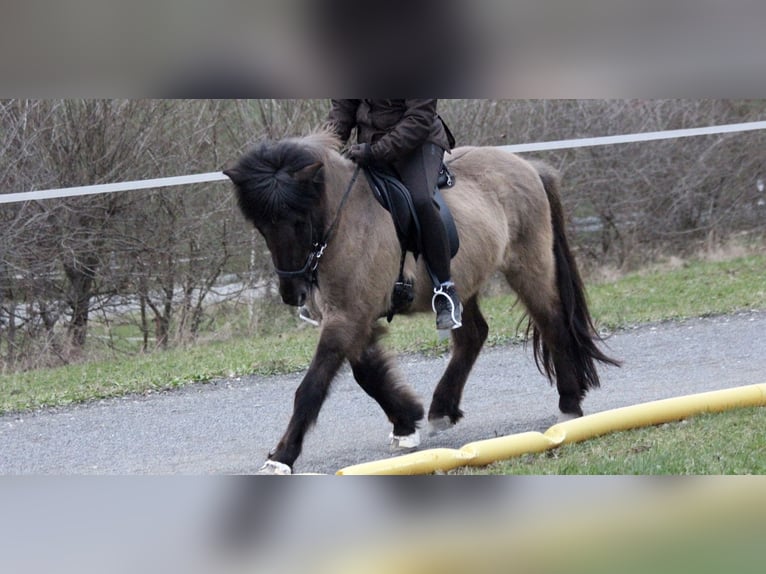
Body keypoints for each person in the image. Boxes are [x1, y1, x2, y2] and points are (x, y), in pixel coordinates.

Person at [326, 99, 462, 330]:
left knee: (421, 200)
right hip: (369, 147)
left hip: (418, 143)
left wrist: (377, 152)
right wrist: (322, 150)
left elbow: (419, 119)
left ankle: (445, 289)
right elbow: (342, 112)